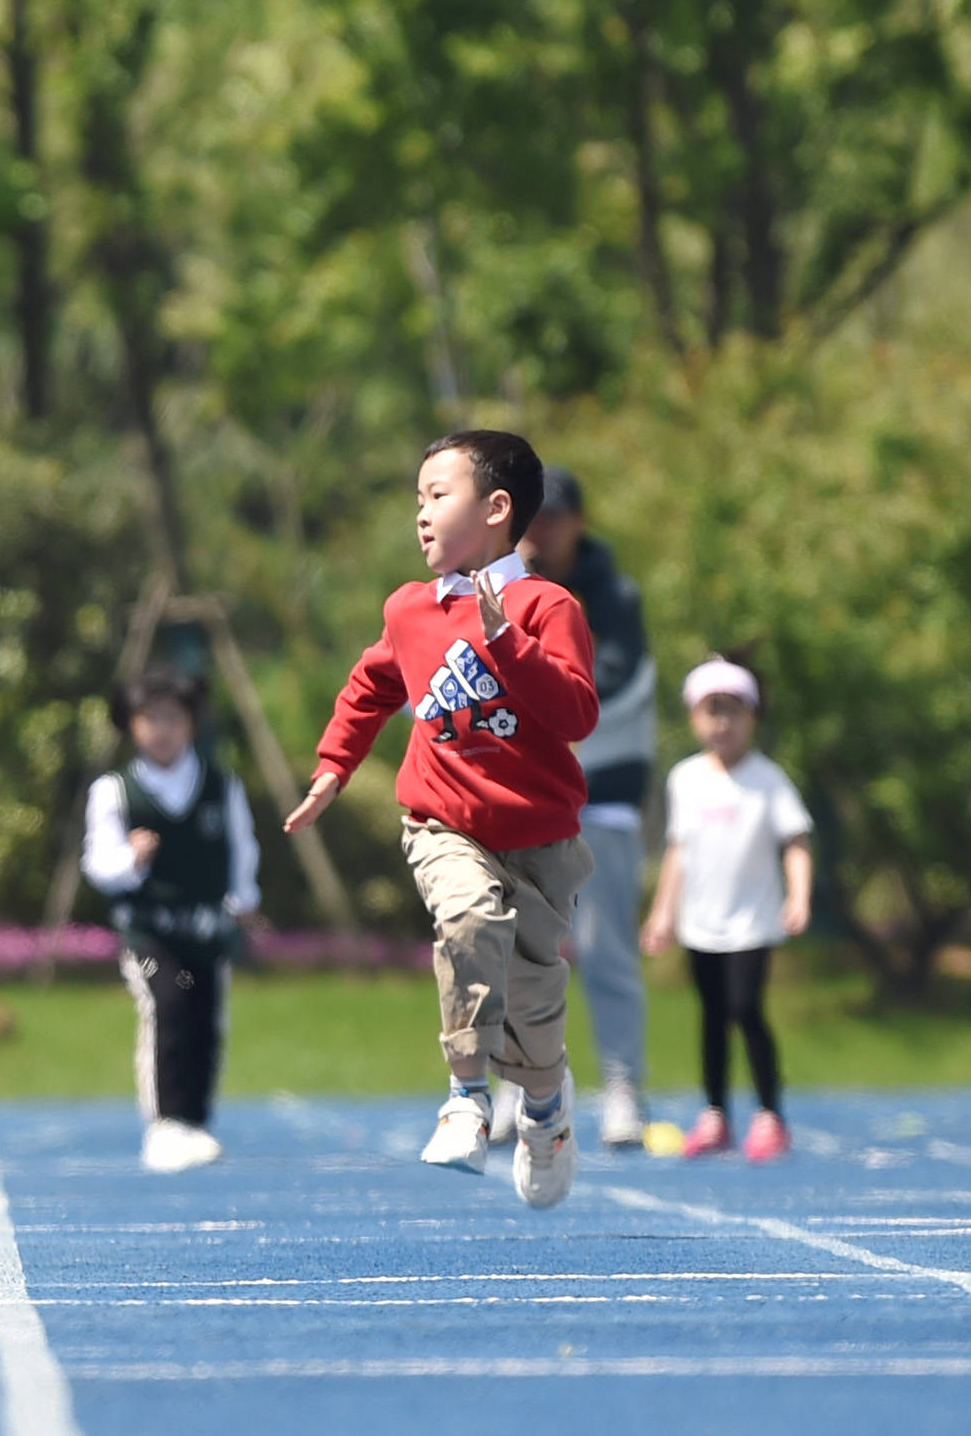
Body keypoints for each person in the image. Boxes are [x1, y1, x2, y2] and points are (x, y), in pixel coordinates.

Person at [287, 427, 603, 1209]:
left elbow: (575, 713)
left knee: (533, 1001)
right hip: (443, 823)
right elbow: (371, 686)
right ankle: (466, 1096)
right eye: (416, 500)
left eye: (437, 496)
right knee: (467, 918)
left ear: (497, 509)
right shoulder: (409, 610)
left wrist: (506, 643)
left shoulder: (546, 606)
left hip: (538, 840)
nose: (420, 516)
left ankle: (545, 1111)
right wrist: (334, 765)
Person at [522, 465, 659, 1147]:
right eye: (529, 517)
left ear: (578, 520)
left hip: (601, 796)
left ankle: (622, 1087)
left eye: (552, 517)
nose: (540, 531)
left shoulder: (615, 597)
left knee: (606, 951)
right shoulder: (503, 586)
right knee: (524, 950)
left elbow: (606, 686)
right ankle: (526, 1088)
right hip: (528, 798)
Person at [82, 668, 260, 1172]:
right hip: (150, 934)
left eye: (172, 719)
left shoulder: (220, 784)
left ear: (190, 724)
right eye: (149, 719)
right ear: (131, 725)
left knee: (206, 1016)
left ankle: (195, 1121)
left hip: (205, 930)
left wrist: (245, 899)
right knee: (168, 1005)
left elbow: (241, 847)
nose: (161, 729)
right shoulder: (114, 790)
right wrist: (130, 861)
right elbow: (99, 864)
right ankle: (164, 1124)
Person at [640, 659, 812, 1159]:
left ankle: (769, 1114)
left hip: (753, 922)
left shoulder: (768, 780)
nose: (722, 724)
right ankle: (715, 1113)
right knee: (712, 1015)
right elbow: (679, 851)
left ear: (752, 718)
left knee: (745, 1010)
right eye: (711, 711)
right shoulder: (686, 779)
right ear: (694, 717)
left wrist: (799, 895)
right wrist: (661, 915)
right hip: (701, 923)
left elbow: (796, 840)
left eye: (732, 712)